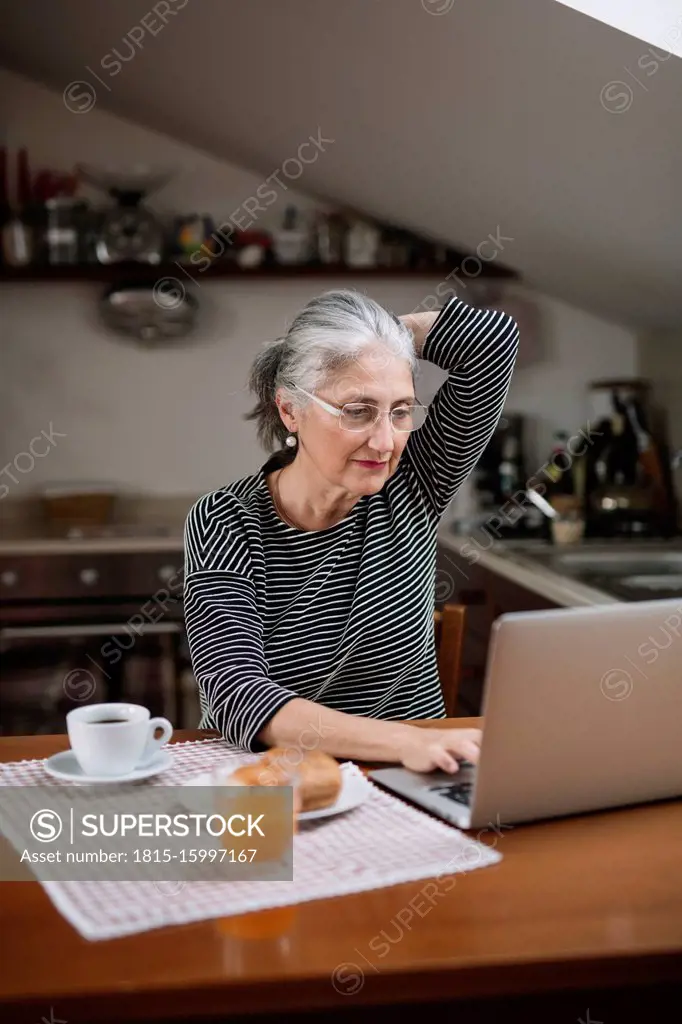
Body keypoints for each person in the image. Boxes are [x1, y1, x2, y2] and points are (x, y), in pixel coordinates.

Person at [184, 289, 519, 773]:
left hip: (414, 776)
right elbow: (236, 695)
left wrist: (383, 337)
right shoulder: (225, 520)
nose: (385, 442)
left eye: (400, 411)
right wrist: (401, 741)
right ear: (290, 410)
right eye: (357, 411)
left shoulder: (413, 482)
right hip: (288, 780)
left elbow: (492, 342)